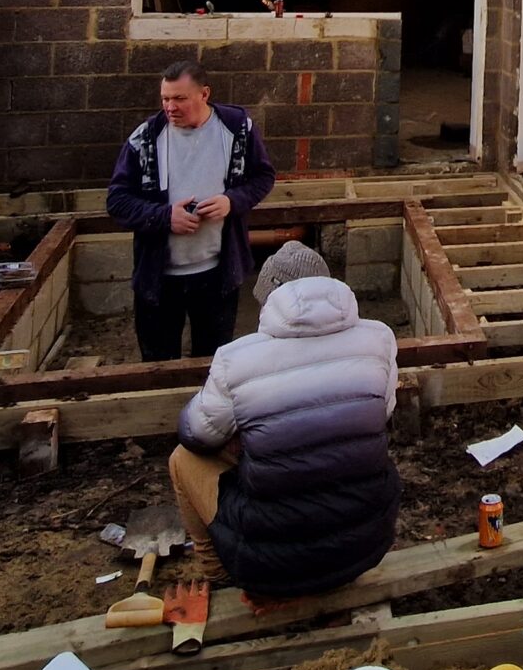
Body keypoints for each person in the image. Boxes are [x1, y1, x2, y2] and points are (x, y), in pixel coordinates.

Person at [168, 242, 400, 603]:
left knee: (182, 460)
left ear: (270, 298)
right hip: (366, 545)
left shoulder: (236, 359)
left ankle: (219, 573)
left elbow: (196, 435)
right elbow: (380, 414)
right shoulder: (378, 339)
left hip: (269, 566)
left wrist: (247, 429)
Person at [107, 60, 278, 361]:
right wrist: (164, 217)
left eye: (179, 98)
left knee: (213, 363)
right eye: (165, 98)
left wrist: (232, 201)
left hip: (218, 274)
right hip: (159, 278)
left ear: (204, 94)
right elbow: (117, 200)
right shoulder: (145, 138)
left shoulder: (237, 129)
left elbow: (263, 177)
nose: (170, 107)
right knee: (158, 363)